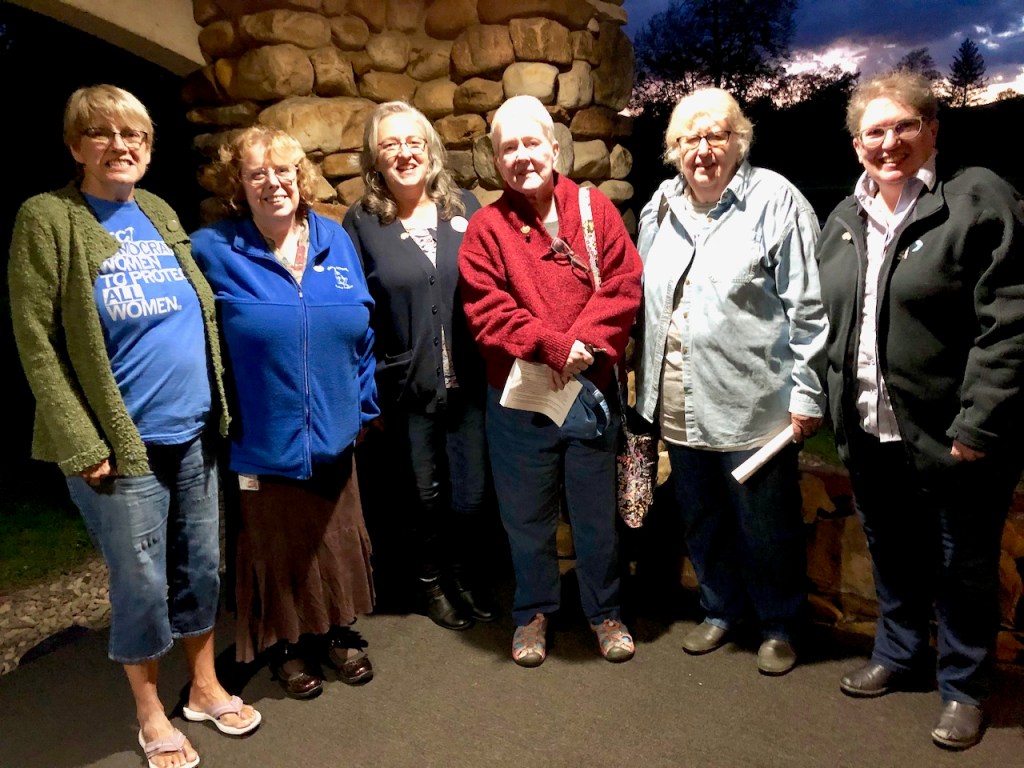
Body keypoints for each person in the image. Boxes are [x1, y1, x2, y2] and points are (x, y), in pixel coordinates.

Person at [8, 84, 260, 768]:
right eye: (103, 134)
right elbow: (35, 338)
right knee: (141, 582)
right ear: (74, 145)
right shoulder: (49, 218)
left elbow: (196, 312)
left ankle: (204, 687)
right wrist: (81, 440)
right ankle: (150, 712)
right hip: (122, 447)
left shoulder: (155, 210)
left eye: (135, 137)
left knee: (201, 567)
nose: (121, 147)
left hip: (194, 432)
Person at [816, 71, 1024, 750]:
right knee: (893, 552)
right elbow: (828, 320)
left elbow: (1011, 324)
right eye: (874, 131)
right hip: (873, 430)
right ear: (856, 145)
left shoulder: (977, 199)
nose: (888, 142)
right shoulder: (844, 220)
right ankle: (899, 653)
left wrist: (979, 424)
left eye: (904, 125)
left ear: (932, 128)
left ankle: (965, 687)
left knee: (964, 564)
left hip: (953, 436)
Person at [634, 87, 828, 676]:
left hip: (753, 405)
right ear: (673, 148)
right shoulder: (659, 208)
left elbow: (809, 308)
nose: (703, 148)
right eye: (690, 137)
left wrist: (808, 393)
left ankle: (778, 624)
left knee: (765, 526)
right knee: (702, 518)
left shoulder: (777, 201)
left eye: (716, 135)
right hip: (675, 400)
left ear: (739, 141)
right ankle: (720, 610)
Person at [191, 126, 378, 701]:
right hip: (260, 439)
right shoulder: (214, 249)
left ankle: (338, 630)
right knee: (274, 548)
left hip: (334, 431)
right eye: (257, 174)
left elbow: (362, 327)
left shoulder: (334, 239)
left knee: (335, 536)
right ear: (237, 185)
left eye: (284, 171)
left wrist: (362, 403)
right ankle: (288, 646)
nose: (274, 184)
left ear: (300, 177)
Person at [459, 95, 642, 666]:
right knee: (526, 519)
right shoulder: (486, 228)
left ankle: (604, 612)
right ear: (495, 159)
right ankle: (533, 611)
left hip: (588, 395)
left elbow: (625, 283)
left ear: (554, 148)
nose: (521, 156)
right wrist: (559, 346)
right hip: (519, 404)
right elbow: (488, 312)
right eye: (508, 147)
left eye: (530, 142)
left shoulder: (595, 210)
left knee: (594, 518)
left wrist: (582, 347)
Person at [343, 102, 494, 631]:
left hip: (471, 382)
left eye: (413, 141)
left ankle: (463, 575)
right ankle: (430, 584)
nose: (404, 153)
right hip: (407, 384)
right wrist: (366, 393)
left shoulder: (467, 206)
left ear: (429, 149)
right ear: (376, 158)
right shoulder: (362, 223)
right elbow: (356, 312)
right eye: (390, 145)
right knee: (422, 496)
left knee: (472, 494)